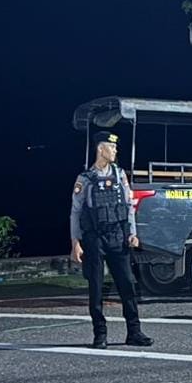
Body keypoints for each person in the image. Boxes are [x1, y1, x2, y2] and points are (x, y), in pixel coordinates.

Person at [71, 130, 153, 349]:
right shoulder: (85, 178)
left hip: (118, 236)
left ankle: (134, 332)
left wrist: (132, 233)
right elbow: (75, 212)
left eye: (116, 147)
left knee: (127, 284)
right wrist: (75, 243)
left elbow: (128, 206)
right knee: (96, 288)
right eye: (112, 146)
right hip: (95, 239)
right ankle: (100, 334)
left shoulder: (119, 174)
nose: (115, 150)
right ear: (101, 149)